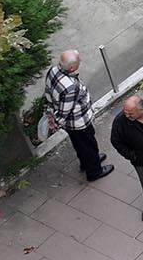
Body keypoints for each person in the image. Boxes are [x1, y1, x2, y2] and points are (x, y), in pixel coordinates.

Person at [45, 50, 113, 181]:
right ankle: (94, 171)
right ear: (71, 68)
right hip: (78, 122)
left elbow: (48, 92)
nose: (81, 61)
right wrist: (58, 122)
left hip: (71, 123)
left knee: (80, 144)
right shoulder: (71, 87)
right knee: (88, 144)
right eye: (78, 61)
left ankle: (86, 163)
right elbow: (65, 111)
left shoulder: (53, 71)